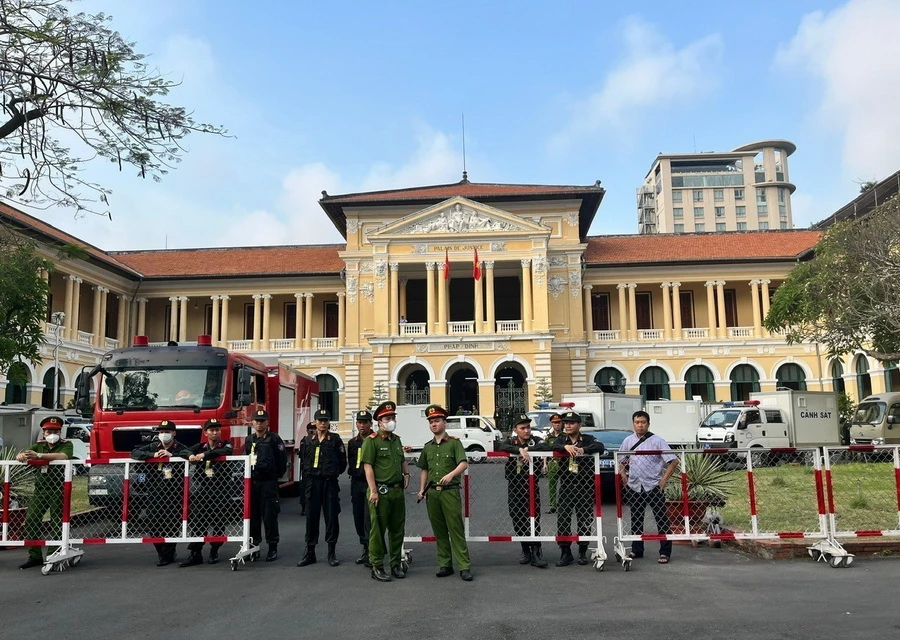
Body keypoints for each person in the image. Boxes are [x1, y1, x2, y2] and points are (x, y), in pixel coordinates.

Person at [417, 404, 473, 581]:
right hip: (432, 493)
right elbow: (424, 469)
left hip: (450, 492)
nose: (434, 424)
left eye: (437, 421)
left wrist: (451, 475)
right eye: (431, 422)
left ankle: (464, 566)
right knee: (439, 530)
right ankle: (445, 564)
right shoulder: (428, 447)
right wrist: (421, 489)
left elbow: (463, 463)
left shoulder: (454, 443)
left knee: (455, 528)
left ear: (444, 423)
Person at [620, 410, 678, 564]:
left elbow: (673, 461)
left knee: (661, 519)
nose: (640, 425)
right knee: (636, 519)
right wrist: (623, 475)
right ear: (633, 424)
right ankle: (637, 550)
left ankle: (665, 552)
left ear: (648, 424)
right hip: (635, 486)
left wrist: (664, 480)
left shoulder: (658, 441)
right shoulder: (627, 441)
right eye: (637, 422)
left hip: (653, 486)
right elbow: (620, 459)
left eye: (643, 422)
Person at [361, 401, 410, 582]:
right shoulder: (371, 442)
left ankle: (396, 564)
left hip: (397, 491)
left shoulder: (396, 440)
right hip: (380, 491)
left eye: (393, 417)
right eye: (387, 418)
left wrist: (406, 473)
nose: (391, 421)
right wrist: (373, 491)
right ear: (379, 422)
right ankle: (377, 566)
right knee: (378, 531)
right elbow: (368, 468)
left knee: (397, 529)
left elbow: (401, 459)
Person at [131, 419, 191, 566]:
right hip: (154, 493)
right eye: (161, 432)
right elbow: (134, 453)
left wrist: (172, 456)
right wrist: (153, 455)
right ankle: (161, 552)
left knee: (172, 525)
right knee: (154, 525)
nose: (164, 435)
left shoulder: (180, 448)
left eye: (167, 432)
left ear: (174, 433)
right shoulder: (153, 446)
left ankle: (168, 554)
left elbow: (189, 454)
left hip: (174, 493)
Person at [16, 416, 73, 570]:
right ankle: (35, 556)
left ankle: (53, 554)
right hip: (41, 490)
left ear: (60, 432)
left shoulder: (65, 445)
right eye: (49, 430)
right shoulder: (38, 446)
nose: (52, 433)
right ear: (44, 432)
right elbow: (27, 453)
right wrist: (21, 455)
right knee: (31, 520)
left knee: (57, 522)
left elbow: (63, 456)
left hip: (59, 489)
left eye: (55, 430)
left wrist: (40, 456)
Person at [551, 410, 604, 567]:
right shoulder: (561, 438)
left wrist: (583, 450)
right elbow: (553, 445)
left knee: (584, 519)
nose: (567, 425)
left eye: (571, 423)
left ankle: (582, 551)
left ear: (579, 425)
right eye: (565, 423)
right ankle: (565, 552)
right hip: (566, 485)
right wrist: (565, 446)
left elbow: (600, 446)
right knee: (563, 519)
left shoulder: (587, 439)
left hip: (584, 486)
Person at [496, 414, 549, 568]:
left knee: (533, 519)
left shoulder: (535, 439)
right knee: (517, 518)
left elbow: (546, 447)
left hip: (531, 486)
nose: (526, 430)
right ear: (515, 430)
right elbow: (501, 446)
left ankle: (536, 552)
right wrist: (519, 449)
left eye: (528, 427)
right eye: (522, 428)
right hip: (514, 486)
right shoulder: (511, 441)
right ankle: (525, 549)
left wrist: (528, 449)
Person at [180, 418, 235, 567]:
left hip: (220, 489)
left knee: (218, 521)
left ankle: (214, 551)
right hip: (203, 489)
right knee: (198, 521)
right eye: (211, 430)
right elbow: (184, 450)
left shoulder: (225, 444)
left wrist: (205, 455)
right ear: (206, 433)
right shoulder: (200, 446)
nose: (215, 432)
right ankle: (195, 553)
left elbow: (225, 451)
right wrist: (190, 455)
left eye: (217, 430)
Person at [298, 408, 346, 567]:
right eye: (320, 420)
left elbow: (342, 463)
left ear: (329, 422)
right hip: (312, 483)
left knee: (331, 517)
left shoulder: (335, 440)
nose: (323, 423)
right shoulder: (307, 440)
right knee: (311, 518)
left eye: (325, 420)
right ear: (315, 422)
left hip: (329, 483)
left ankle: (331, 553)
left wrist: (330, 473)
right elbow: (304, 461)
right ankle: (309, 551)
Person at [243, 409, 287, 562]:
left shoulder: (274, 439)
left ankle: (272, 547)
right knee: (253, 517)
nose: (259, 423)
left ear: (267, 422)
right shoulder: (249, 440)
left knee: (269, 516)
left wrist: (275, 476)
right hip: (253, 483)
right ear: (252, 422)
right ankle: (254, 547)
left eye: (262, 421)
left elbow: (282, 460)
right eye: (257, 420)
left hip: (268, 482)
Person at [347, 409, 375, 566]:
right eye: (359, 422)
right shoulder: (353, 442)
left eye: (365, 422)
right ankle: (364, 547)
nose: (362, 425)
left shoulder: (375, 440)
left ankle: (372, 550)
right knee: (358, 516)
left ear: (371, 424)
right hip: (356, 482)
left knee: (368, 518)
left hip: (369, 483)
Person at [544, 413, 563, 514]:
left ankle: (564, 504)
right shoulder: (549, 437)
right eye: (555, 423)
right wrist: (545, 463)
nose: (557, 425)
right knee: (552, 485)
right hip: (552, 463)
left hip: (563, 463)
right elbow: (545, 451)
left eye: (559, 422)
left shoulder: (565, 436)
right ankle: (552, 506)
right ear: (552, 424)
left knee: (565, 484)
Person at [297, 421, 316, 515]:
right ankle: (304, 507)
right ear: (307, 430)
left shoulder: (319, 440)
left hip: (316, 469)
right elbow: (302, 455)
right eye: (310, 429)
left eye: (314, 429)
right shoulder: (304, 441)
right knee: (304, 488)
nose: (312, 431)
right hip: (306, 469)